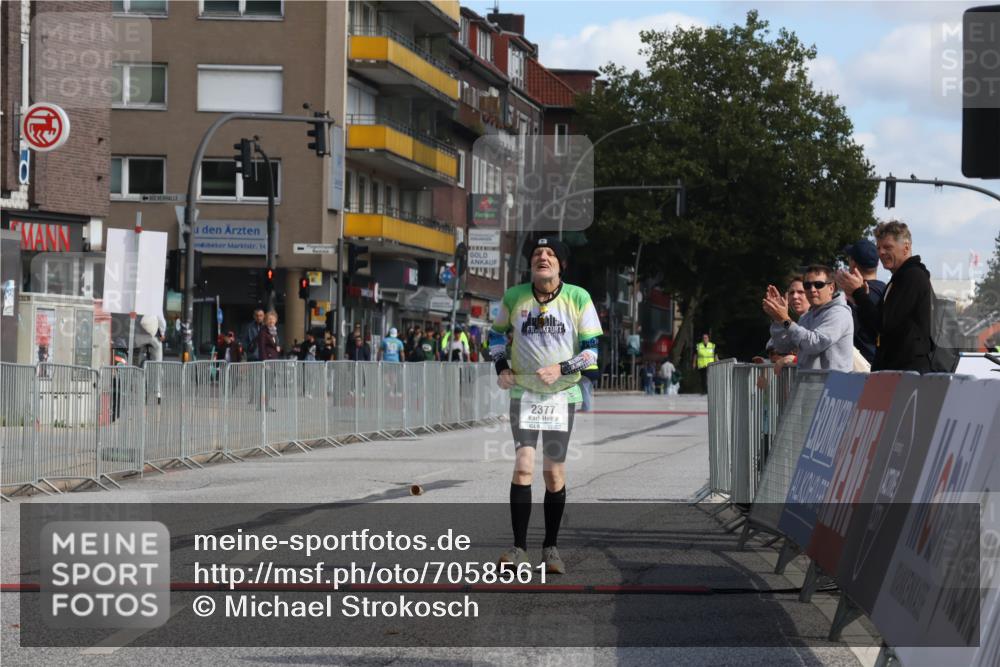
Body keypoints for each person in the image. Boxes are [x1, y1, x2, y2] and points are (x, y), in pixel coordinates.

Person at [489, 237, 602, 575]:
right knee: (523, 466)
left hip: (560, 395)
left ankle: (550, 548)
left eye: (551, 254)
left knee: (553, 473)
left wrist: (561, 368)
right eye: (538, 253)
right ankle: (518, 549)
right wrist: (502, 367)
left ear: (560, 264)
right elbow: (496, 336)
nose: (543, 257)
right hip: (524, 393)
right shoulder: (514, 296)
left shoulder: (578, 297)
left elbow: (591, 352)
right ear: (530, 263)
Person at [836, 221, 933, 372]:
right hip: (893, 371)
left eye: (888, 247)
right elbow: (876, 331)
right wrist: (859, 299)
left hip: (906, 373)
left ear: (906, 247)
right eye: (878, 248)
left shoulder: (912, 276)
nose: (881, 252)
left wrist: (859, 294)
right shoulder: (897, 280)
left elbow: (884, 324)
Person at [764, 265, 854, 371]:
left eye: (818, 285)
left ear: (831, 288)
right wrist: (778, 318)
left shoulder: (839, 313)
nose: (812, 289)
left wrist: (785, 320)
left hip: (833, 381)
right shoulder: (805, 317)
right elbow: (783, 347)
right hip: (807, 381)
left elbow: (814, 344)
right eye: (807, 285)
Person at [838, 240, 887, 365]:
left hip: (864, 366)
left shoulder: (855, 297)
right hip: (885, 361)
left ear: (853, 263)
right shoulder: (887, 289)